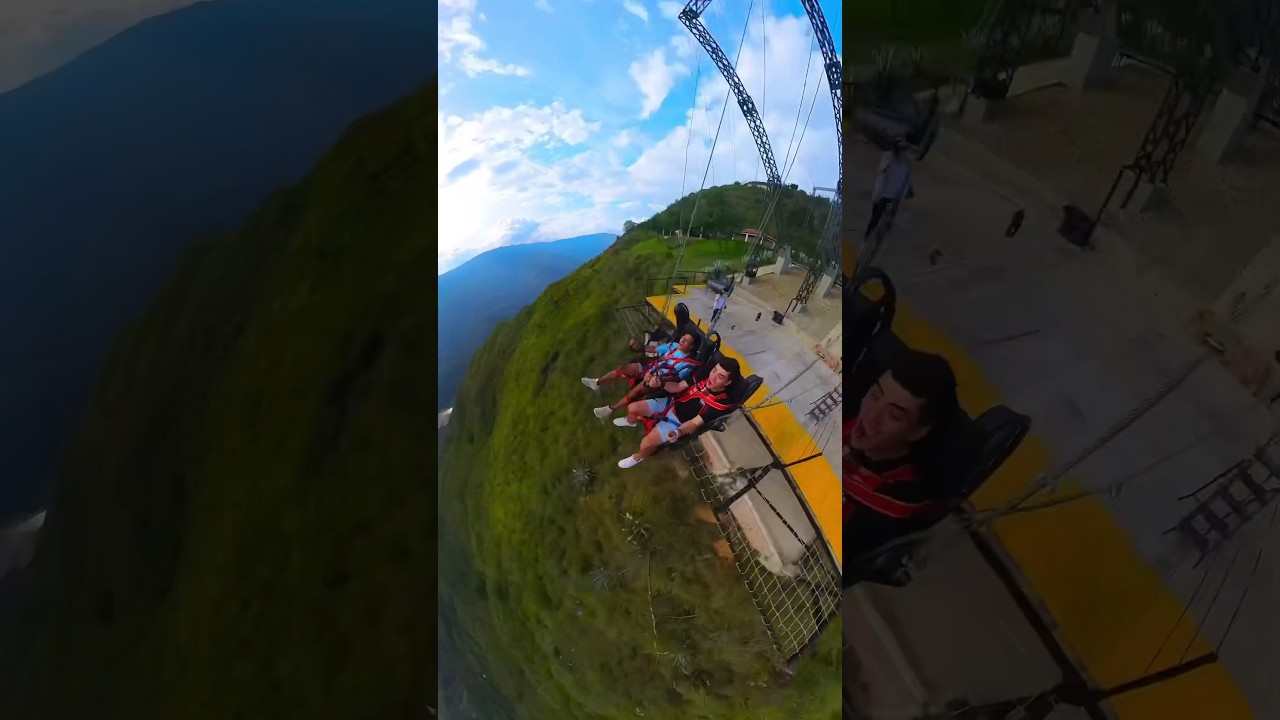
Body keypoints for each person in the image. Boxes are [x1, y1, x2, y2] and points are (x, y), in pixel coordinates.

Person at [843, 348, 959, 575]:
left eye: (893, 414)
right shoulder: (850, 423)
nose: (870, 416)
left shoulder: (895, 504)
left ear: (918, 431)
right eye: (875, 395)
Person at [613, 357, 742, 469]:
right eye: (714, 371)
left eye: (720, 377)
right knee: (633, 408)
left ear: (728, 382)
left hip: (678, 421)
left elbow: (694, 422)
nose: (712, 377)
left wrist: (678, 432)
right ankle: (631, 422)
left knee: (646, 444)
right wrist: (661, 383)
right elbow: (678, 387)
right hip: (670, 403)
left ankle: (636, 458)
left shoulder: (721, 403)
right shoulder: (704, 374)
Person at [582, 332, 701, 419]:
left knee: (637, 391)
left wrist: (658, 379)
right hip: (652, 367)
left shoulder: (688, 364)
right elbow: (655, 349)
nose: (682, 340)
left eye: (687, 340)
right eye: (683, 337)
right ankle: (597, 382)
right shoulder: (673, 346)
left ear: (691, 347)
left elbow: (676, 379)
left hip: (660, 379)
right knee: (627, 369)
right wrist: (641, 348)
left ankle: (610, 409)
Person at [865, 140, 913, 240]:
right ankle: (870, 234)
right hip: (884, 194)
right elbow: (880, 173)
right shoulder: (889, 159)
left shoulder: (903, 164)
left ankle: (874, 232)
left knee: (883, 212)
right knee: (876, 214)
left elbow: (904, 180)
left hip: (890, 197)